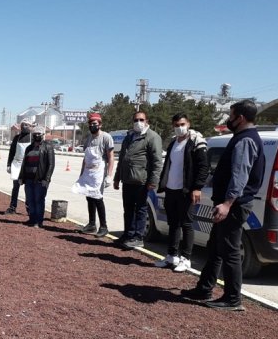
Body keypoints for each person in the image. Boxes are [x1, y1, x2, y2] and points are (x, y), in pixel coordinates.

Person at [181, 100, 265, 311]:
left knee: (229, 250)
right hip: (229, 203)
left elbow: (240, 175)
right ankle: (205, 288)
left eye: (231, 115)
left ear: (241, 118)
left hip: (234, 205)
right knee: (216, 247)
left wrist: (227, 203)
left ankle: (233, 298)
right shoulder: (242, 138)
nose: (229, 119)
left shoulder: (245, 140)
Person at [154, 113, 209, 272]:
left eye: (182, 124)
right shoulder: (173, 143)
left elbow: (203, 167)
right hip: (171, 189)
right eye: (176, 124)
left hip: (186, 191)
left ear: (188, 124)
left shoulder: (196, 142)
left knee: (186, 223)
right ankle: (172, 256)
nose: (180, 127)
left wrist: (197, 187)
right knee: (173, 224)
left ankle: (186, 258)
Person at [113, 111, 162, 248]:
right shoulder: (129, 137)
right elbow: (122, 159)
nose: (138, 122)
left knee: (140, 209)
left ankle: (138, 236)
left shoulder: (152, 137)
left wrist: (153, 181)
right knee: (127, 209)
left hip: (142, 181)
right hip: (127, 179)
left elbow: (157, 162)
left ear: (147, 121)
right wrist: (117, 178)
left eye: (141, 120)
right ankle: (128, 234)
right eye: (135, 120)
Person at [72, 113, 115, 237]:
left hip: (99, 172)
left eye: (94, 124)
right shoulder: (88, 139)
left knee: (97, 198)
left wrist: (109, 175)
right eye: (90, 124)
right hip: (88, 172)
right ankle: (91, 224)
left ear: (100, 124)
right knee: (89, 197)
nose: (92, 126)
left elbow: (111, 157)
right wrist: (81, 175)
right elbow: (85, 159)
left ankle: (103, 226)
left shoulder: (106, 137)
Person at [18, 127, 55, 227]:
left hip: (40, 179)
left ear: (43, 135)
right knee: (30, 200)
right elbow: (24, 164)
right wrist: (21, 177)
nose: (37, 136)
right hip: (28, 179)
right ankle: (32, 218)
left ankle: (39, 221)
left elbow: (51, 165)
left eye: (39, 134)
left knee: (39, 200)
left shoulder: (48, 147)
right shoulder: (29, 148)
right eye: (35, 134)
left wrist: (46, 179)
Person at [6, 119, 33, 214]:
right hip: (17, 164)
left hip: (28, 165)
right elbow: (11, 152)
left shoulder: (33, 138)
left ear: (31, 127)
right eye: (23, 125)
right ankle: (12, 207)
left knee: (28, 188)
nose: (24, 127)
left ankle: (29, 208)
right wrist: (9, 164)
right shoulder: (16, 138)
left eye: (27, 125)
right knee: (15, 187)